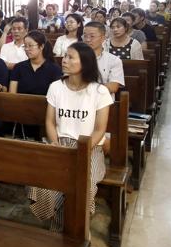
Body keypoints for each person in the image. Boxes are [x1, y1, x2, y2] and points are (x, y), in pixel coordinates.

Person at [29, 42, 112, 231]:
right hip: (59, 144)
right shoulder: (56, 87)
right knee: (45, 180)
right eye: (64, 56)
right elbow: (50, 122)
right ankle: (64, 231)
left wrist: (81, 149)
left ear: (85, 63)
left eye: (70, 57)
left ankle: (66, 231)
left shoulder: (99, 91)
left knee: (82, 185)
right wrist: (56, 144)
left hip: (89, 147)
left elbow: (100, 129)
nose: (64, 60)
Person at [9, 30, 62, 95]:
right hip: (21, 104)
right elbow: (12, 96)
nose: (26, 49)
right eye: (25, 46)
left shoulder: (54, 69)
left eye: (30, 45)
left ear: (41, 46)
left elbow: (55, 96)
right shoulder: (18, 67)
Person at [83, 22, 125, 96]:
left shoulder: (114, 60)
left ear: (103, 38)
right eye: (85, 36)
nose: (87, 40)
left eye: (92, 36)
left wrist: (85, 88)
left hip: (103, 101)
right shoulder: (75, 58)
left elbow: (113, 86)